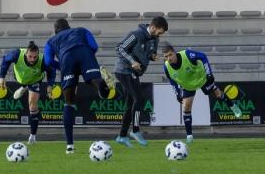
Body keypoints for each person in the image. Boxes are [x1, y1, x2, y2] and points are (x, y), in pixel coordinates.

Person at [43, 18, 115, 155]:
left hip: (66, 59)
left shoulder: (51, 41)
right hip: (85, 53)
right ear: (69, 26)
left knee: (69, 102)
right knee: (98, 85)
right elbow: (94, 46)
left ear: (55, 30)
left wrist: (62, 66)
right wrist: (85, 63)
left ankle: (70, 145)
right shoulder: (81, 30)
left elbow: (47, 61)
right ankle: (101, 83)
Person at [162, 43, 242, 144]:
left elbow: (203, 56)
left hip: (202, 78)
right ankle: (189, 136)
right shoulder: (166, 67)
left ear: (174, 52)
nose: (169, 58)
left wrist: (209, 73)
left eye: (170, 55)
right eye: (166, 57)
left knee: (217, 94)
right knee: (186, 107)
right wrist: (177, 93)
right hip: (188, 85)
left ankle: (232, 105)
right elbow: (172, 80)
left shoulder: (187, 54)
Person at [114, 16, 168, 148]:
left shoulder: (155, 39)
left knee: (130, 104)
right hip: (124, 70)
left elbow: (150, 54)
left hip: (133, 73)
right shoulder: (136, 34)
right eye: (160, 32)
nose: (160, 35)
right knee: (140, 99)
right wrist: (132, 61)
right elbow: (120, 48)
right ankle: (135, 131)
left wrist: (153, 56)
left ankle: (121, 136)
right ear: (153, 27)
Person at [0, 40, 55, 145]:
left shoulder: (43, 60)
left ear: (38, 54)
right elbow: (5, 60)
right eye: (30, 56)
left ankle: (33, 136)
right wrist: (2, 77)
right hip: (20, 78)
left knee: (32, 105)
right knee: (24, 84)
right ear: (26, 53)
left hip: (35, 80)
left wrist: (50, 85)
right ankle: (24, 87)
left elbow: (51, 71)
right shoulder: (17, 54)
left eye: (35, 57)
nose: (32, 59)